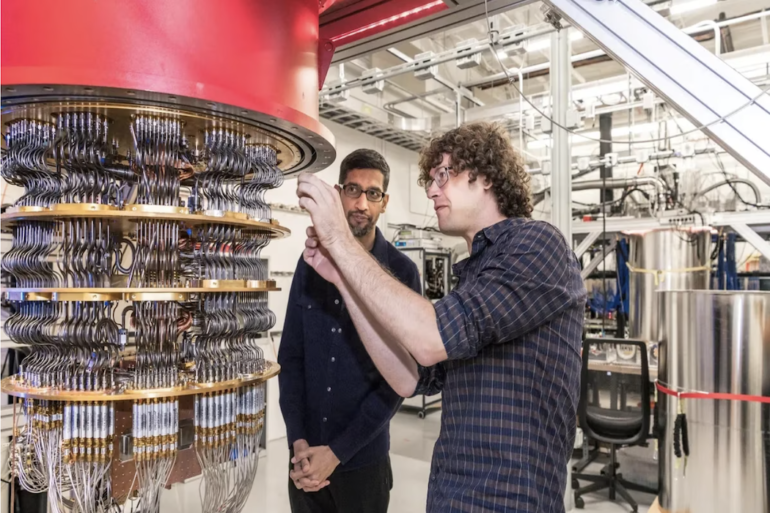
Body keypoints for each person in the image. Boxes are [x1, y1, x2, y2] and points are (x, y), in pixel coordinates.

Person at [295, 122, 586, 512]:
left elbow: (431, 338)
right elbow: (409, 377)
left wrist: (340, 241)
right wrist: (341, 279)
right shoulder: (474, 277)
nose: (432, 190)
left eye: (443, 175)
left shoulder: (537, 245)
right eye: (430, 180)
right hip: (451, 498)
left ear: (483, 176)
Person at [278, 148, 421, 513]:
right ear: (339, 193)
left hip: (362, 463)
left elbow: (399, 380)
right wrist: (297, 442)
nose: (361, 203)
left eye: (372, 193)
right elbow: (291, 358)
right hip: (305, 459)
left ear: (384, 202)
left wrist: (338, 452)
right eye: (353, 190)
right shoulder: (311, 261)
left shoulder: (402, 274)